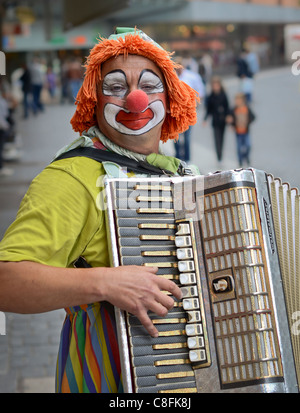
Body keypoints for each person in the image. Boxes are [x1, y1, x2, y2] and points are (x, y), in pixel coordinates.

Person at [0, 27, 200, 393]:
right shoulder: (72, 176)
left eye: (149, 85)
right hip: (109, 377)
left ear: (171, 97)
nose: (135, 100)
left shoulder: (178, 171)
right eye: (116, 87)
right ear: (94, 99)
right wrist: (107, 282)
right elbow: (6, 280)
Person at [174, 58, 205, 162]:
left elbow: (200, 89)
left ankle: (187, 158)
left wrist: (197, 101)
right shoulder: (172, 78)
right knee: (175, 135)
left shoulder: (191, 76)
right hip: (176, 111)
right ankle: (178, 156)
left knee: (187, 136)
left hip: (188, 110)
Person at [203, 76, 229, 164]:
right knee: (217, 139)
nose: (215, 87)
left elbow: (227, 107)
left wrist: (228, 116)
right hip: (215, 121)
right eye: (214, 85)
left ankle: (221, 154)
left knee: (222, 138)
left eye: (216, 85)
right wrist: (205, 119)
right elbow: (209, 109)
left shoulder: (223, 95)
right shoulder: (211, 97)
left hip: (223, 121)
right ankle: (219, 157)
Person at [226, 93, 255, 166]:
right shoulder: (234, 110)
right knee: (239, 147)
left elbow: (253, 117)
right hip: (238, 131)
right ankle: (240, 160)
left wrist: (248, 122)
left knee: (248, 145)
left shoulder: (246, 108)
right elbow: (230, 118)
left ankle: (246, 156)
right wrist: (231, 125)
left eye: (238, 100)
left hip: (245, 131)